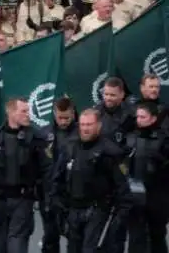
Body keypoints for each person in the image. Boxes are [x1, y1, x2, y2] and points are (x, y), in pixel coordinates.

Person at [0, 97, 52, 253]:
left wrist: (48, 198)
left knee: (17, 244)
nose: (28, 114)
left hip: (23, 199)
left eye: (28, 111)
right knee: (2, 245)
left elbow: (47, 170)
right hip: (0, 201)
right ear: (11, 113)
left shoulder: (36, 139)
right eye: (23, 111)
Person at [49, 108, 133, 252]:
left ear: (98, 126)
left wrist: (118, 220)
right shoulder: (70, 147)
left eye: (89, 124)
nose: (85, 128)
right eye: (82, 124)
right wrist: (58, 205)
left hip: (98, 210)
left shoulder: (110, 152)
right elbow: (57, 179)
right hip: (73, 209)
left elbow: (123, 188)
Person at [124, 101, 169, 252]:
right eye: (138, 117)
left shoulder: (163, 139)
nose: (139, 120)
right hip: (135, 196)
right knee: (136, 237)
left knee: (157, 236)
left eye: (143, 117)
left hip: (157, 196)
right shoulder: (130, 137)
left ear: (153, 118)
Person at [39, 97, 78, 253]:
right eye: (60, 117)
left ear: (73, 114)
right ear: (54, 114)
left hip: (72, 193)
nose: (63, 121)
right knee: (50, 235)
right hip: (49, 192)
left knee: (73, 235)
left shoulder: (81, 133)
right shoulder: (44, 135)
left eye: (66, 118)